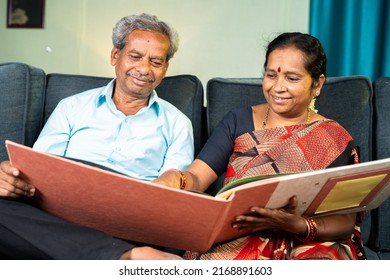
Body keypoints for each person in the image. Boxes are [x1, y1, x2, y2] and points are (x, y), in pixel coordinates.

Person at [155, 32, 366, 260]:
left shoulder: (334, 138)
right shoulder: (237, 120)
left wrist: (298, 225)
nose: (278, 87)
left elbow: (345, 222)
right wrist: (176, 179)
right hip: (240, 234)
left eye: (292, 78)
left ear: (317, 83)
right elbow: (197, 177)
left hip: (309, 238)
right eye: (270, 75)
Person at [0, 13, 193, 260]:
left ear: (165, 69)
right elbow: (40, 171)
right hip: (58, 213)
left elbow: (170, 199)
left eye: (156, 62)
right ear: (116, 56)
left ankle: (110, 251)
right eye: (135, 57)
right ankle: (124, 257)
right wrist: (11, 177)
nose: (144, 69)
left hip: (129, 221)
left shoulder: (178, 124)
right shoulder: (71, 107)